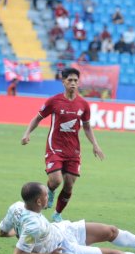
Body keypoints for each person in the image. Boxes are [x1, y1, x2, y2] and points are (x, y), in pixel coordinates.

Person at [0, 182, 135, 254]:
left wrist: (16, 232)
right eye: (46, 195)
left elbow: (2, 231)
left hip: (62, 229)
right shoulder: (33, 226)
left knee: (110, 231)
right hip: (64, 249)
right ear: (39, 202)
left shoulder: (16, 206)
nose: (49, 197)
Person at [21, 67, 104, 222]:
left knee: (69, 185)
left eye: (75, 80)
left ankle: (57, 213)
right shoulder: (54, 101)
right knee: (56, 180)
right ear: (63, 82)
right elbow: (37, 118)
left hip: (73, 150)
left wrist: (95, 145)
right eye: (70, 80)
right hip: (55, 147)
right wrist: (27, 133)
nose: (73, 83)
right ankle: (50, 191)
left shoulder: (83, 105)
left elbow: (86, 127)